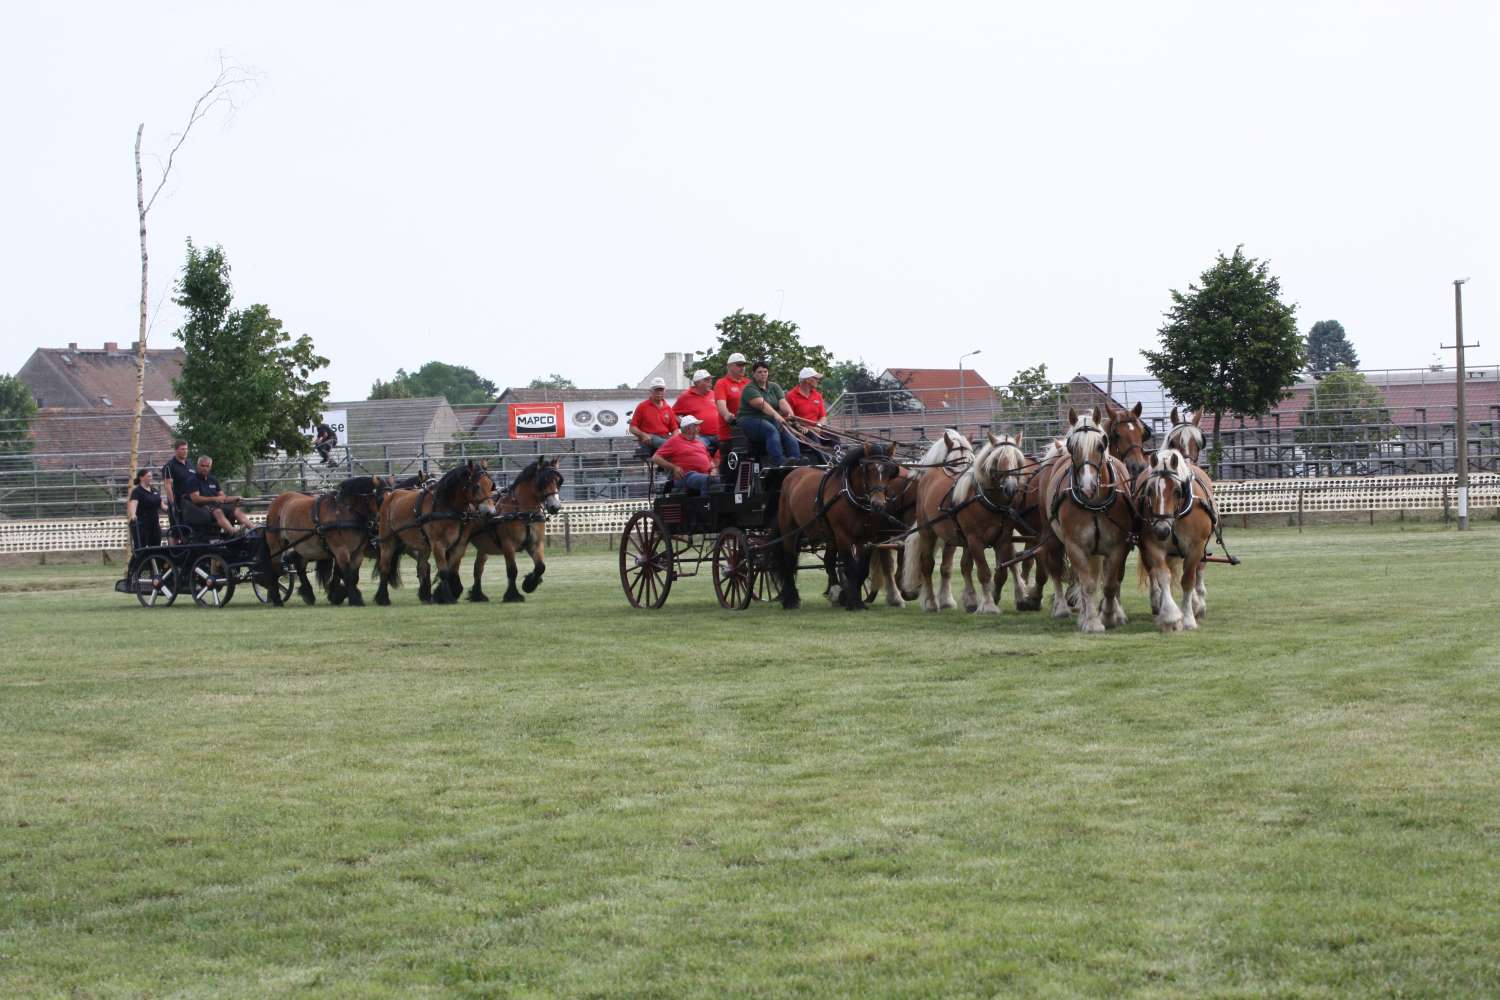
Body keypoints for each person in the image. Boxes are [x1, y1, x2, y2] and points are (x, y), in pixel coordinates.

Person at [737, 360, 802, 465]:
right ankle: (779, 461)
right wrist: (777, 416)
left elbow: (782, 402)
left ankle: (797, 460)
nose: (763, 374)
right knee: (771, 430)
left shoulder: (774, 387)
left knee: (787, 430)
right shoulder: (749, 388)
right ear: (753, 374)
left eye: (765, 371)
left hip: (769, 419)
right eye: (759, 372)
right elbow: (762, 405)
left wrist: (791, 416)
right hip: (750, 420)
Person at [183, 455, 255, 535]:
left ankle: (254, 529)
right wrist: (215, 499)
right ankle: (234, 532)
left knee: (235, 510)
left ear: (210, 467)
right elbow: (195, 499)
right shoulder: (193, 480)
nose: (205, 468)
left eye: (207, 466)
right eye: (202, 466)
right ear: (198, 466)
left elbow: (223, 497)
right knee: (218, 511)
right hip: (201, 508)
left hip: (216, 506)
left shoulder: (213, 479)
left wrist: (235, 498)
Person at [651, 415, 716, 497]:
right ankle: (705, 503)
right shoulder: (674, 441)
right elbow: (655, 458)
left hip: (703, 475)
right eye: (696, 426)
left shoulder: (700, 443)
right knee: (706, 480)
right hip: (686, 476)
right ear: (688, 428)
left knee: (720, 481)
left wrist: (714, 469)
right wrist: (674, 467)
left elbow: (710, 461)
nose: (699, 428)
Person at [786, 366, 834, 459]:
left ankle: (839, 460)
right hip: (802, 431)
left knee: (834, 437)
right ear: (808, 380)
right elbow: (788, 418)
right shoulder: (790, 396)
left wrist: (818, 426)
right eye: (815, 378)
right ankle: (826, 462)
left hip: (817, 429)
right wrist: (799, 426)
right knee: (812, 436)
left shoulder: (817, 395)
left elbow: (823, 417)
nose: (818, 380)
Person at [672, 369, 721, 456]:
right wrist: (684, 424)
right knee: (698, 450)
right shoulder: (685, 397)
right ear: (697, 383)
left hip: (718, 434)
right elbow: (672, 414)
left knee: (729, 447)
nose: (710, 382)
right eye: (707, 380)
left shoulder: (713, 394)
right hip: (699, 435)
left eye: (710, 379)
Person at [629, 377, 680, 452]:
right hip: (649, 440)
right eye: (656, 390)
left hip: (664, 439)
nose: (659, 392)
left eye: (661, 389)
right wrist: (643, 435)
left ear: (664, 391)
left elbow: (674, 429)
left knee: (678, 444)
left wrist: (674, 438)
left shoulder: (668, 408)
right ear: (650, 391)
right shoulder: (642, 406)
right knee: (667, 444)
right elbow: (632, 428)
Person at [712, 352, 750, 441]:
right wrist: (727, 415)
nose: (742, 368)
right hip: (729, 434)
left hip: (749, 431)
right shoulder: (721, 383)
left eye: (744, 365)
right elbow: (721, 404)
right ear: (729, 366)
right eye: (739, 365)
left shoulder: (748, 382)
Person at [126, 468, 164, 549]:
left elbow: (162, 505)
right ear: (141, 478)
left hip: (154, 524)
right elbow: (133, 504)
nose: (151, 478)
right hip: (142, 524)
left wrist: (171, 509)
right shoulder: (137, 491)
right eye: (148, 476)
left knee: (156, 547)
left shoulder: (154, 490)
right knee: (141, 548)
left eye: (151, 476)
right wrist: (133, 514)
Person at [160, 440, 194, 521]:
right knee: (179, 527)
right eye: (182, 449)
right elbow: (168, 486)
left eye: (186, 449)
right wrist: (173, 505)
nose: (185, 451)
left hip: (192, 503)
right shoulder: (169, 466)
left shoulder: (190, 463)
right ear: (176, 450)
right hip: (179, 503)